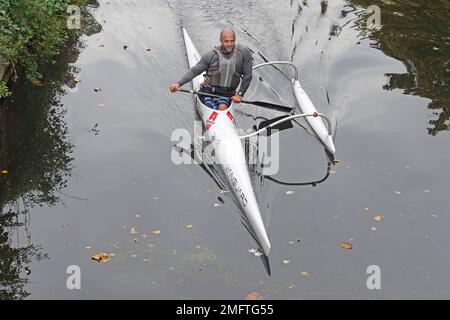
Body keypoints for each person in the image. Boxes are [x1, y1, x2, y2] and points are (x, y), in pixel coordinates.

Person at [170, 28, 253, 110]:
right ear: (220, 40)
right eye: (226, 41)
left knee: (222, 107)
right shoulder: (211, 55)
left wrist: (240, 94)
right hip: (208, 91)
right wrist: (179, 84)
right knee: (213, 106)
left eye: (232, 41)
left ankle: (218, 111)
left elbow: (248, 75)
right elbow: (195, 71)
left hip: (227, 94)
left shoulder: (244, 53)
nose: (229, 44)